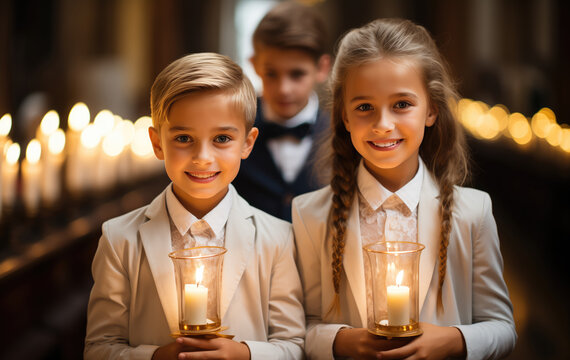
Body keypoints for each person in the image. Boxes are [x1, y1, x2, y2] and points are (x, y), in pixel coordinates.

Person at [292, 18, 516, 360]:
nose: (383, 125)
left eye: (402, 105)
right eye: (364, 107)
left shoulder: (473, 212)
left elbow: (502, 327)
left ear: (431, 110)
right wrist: (342, 341)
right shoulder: (309, 215)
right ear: (344, 117)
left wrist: (453, 340)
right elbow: (298, 329)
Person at [84, 53, 305, 360]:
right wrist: (156, 356)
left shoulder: (278, 239)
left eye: (222, 138)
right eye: (184, 137)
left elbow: (294, 346)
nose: (202, 157)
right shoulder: (119, 238)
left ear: (247, 143)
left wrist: (244, 354)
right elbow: (98, 348)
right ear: (158, 142)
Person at [232, 1, 331, 221]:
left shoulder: (344, 133)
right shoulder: (231, 127)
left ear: (322, 68)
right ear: (255, 64)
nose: (284, 89)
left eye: (297, 74)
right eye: (272, 74)